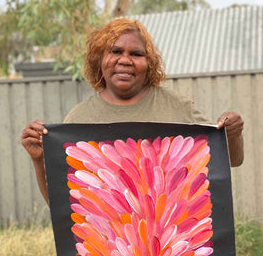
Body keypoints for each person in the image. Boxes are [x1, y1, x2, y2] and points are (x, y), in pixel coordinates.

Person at [21, 18, 244, 204]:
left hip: (174, 249)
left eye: (136, 54)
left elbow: (232, 160)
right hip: (108, 252)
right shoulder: (79, 120)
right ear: (100, 59)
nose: (125, 60)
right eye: (115, 51)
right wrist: (39, 161)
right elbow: (62, 205)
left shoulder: (177, 107)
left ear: (149, 64)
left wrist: (233, 135)